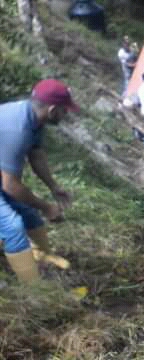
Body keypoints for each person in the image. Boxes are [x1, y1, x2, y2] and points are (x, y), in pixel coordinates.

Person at [0, 79, 79, 282]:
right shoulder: (18, 129)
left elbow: (36, 156)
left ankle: (42, 255)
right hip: (4, 178)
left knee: (28, 213)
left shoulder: (35, 120)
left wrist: (54, 187)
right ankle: (33, 288)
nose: (66, 114)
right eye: (65, 110)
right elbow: (10, 185)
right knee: (13, 226)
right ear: (53, 110)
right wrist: (46, 207)